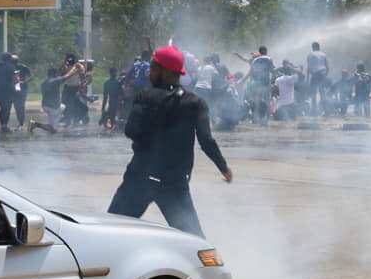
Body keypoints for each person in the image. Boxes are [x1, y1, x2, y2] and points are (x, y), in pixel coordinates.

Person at [107, 45, 232, 237]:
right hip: (174, 184)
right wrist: (223, 168)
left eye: (153, 67)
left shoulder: (144, 97)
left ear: (164, 71)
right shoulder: (196, 103)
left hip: (139, 179)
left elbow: (131, 131)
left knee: (110, 232)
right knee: (194, 240)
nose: (150, 72)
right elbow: (206, 141)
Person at [29, 68, 66, 134]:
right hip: (52, 107)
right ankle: (35, 124)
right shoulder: (55, 80)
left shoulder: (44, 82)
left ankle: (57, 120)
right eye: (56, 74)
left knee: (62, 107)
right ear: (54, 74)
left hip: (45, 105)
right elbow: (67, 76)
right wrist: (75, 69)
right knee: (53, 130)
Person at [244, 46, 274, 125]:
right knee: (267, 101)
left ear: (260, 52)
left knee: (257, 101)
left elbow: (252, 73)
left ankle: (255, 119)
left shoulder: (255, 60)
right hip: (266, 83)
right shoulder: (268, 59)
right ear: (265, 51)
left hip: (257, 84)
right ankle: (266, 120)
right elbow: (272, 70)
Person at [0, 52, 16, 131]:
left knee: (2, 107)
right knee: (7, 108)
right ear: (9, 58)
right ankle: (5, 125)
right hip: (9, 90)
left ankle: (2, 124)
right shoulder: (11, 67)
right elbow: (14, 79)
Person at [306, 41, 330, 116]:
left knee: (313, 94)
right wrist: (325, 76)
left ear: (313, 47)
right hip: (322, 75)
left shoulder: (310, 55)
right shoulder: (324, 54)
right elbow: (327, 67)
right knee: (323, 94)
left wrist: (307, 79)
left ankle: (314, 111)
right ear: (319, 47)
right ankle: (326, 111)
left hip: (314, 75)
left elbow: (308, 68)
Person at [11, 55, 33, 129]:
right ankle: (20, 122)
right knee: (16, 106)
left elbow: (31, 76)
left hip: (23, 88)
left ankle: (21, 122)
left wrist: (24, 82)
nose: (12, 62)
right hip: (13, 89)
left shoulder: (23, 67)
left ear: (17, 61)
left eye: (13, 60)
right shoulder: (10, 68)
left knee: (21, 105)